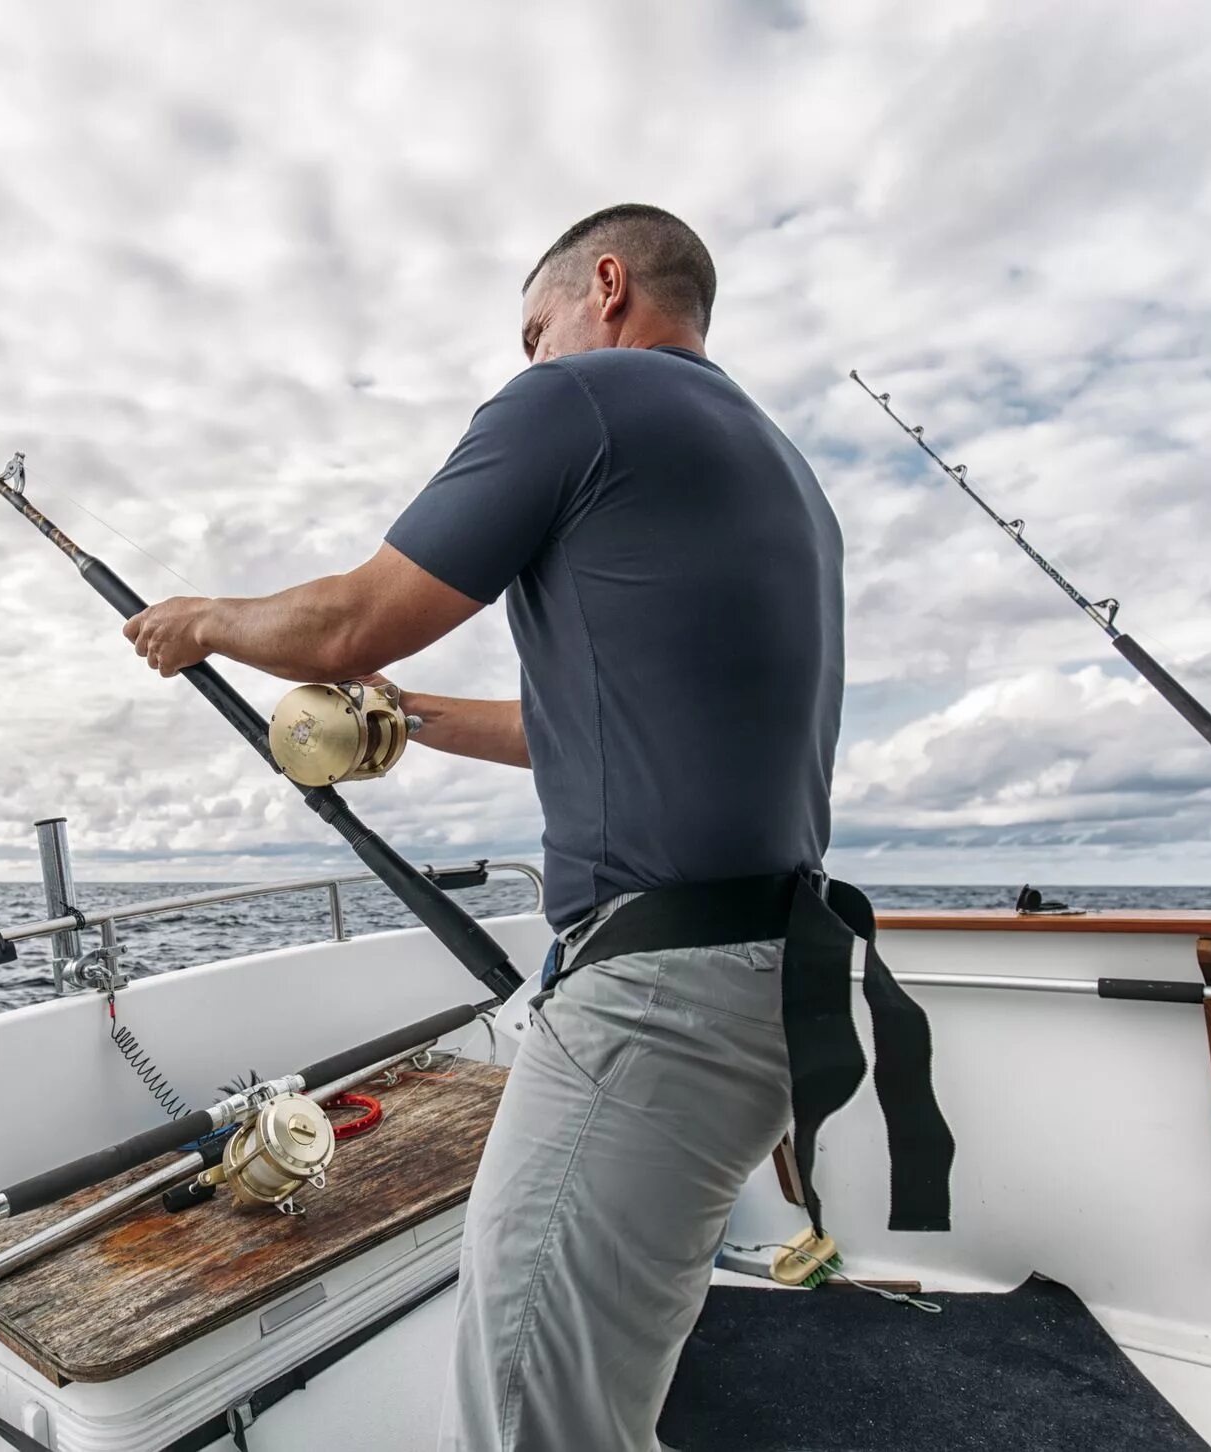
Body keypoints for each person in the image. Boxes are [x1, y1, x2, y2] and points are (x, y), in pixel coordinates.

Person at [122, 204, 884, 1450]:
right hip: (774, 980)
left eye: (535, 330)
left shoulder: (578, 401)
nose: (528, 360)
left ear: (607, 284)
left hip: (660, 1004)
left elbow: (347, 623)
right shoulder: (776, 467)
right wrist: (402, 718)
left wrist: (201, 620)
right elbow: (567, 721)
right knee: (600, 1387)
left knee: (533, 1415)